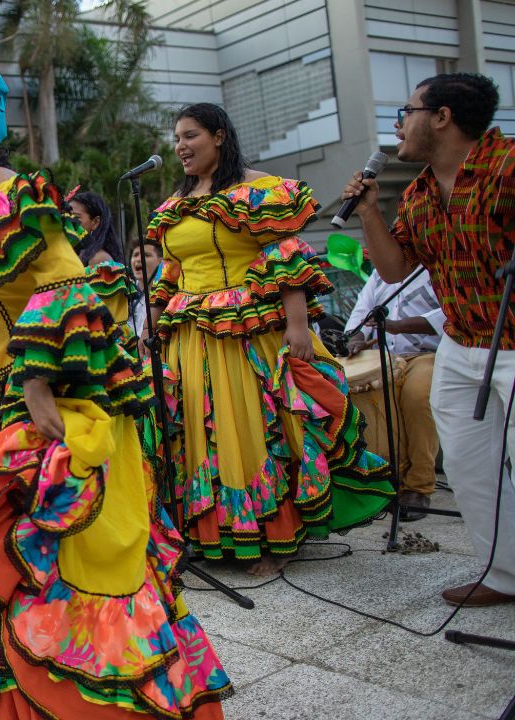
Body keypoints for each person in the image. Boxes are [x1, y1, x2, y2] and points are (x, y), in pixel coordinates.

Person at [0, 42, 231, 716]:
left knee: (80, 568)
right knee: (19, 579)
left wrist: (38, 383)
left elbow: (69, 288)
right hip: (8, 403)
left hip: (68, 400)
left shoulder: (3, 190)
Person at [148, 102, 393, 577]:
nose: (180, 146)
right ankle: (215, 535)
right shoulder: (176, 204)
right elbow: (171, 269)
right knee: (202, 435)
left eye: (191, 135)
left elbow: (285, 256)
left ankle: (271, 538)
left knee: (253, 431)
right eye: (177, 137)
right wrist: (150, 324)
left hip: (246, 331)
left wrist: (298, 326)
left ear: (219, 136)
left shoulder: (258, 190)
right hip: (188, 338)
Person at [341, 72, 515, 608]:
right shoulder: (418, 194)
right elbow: (393, 271)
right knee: (469, 466)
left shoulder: (508, 167)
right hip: (463, 346)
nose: (398, 124)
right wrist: (369, 211)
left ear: (441, 117)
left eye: (407, 110)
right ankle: (504, 573)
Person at [342, 269, 443, 522]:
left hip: (427, 355)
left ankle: (418, 486)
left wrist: (397, 327)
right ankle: (383, 480)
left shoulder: (436, 265)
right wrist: (355, 338)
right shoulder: (380, 274)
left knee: (417, 396)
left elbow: (447, 315)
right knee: (375, 399)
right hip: (383, 356)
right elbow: (361, 312)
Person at [67, 188, 123, 267]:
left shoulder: (99, 259)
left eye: (75, 218)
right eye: (66, 217)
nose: (68, 223)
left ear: (96, 222)